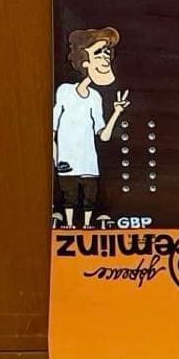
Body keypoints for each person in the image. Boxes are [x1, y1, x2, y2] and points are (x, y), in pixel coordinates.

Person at [52, 27, 130, 228]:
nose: (105, 58)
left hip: (89, 163)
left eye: (107, 53)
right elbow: (52, 130)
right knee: (69, 197)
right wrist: (57, 160)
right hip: (66, 163)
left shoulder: (95, 98)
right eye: (98, 53)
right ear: (85, 61)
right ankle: (68, 225)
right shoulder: (64, 92)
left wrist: (116, 112)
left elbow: (103, 135)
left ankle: (87, 225)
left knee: (89, 198)